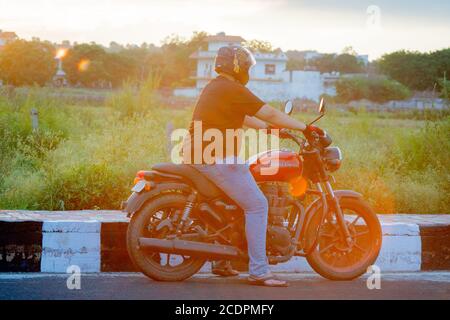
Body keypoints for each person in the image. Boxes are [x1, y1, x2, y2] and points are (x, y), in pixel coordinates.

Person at [183, 46, 322, 287]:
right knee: (258, 205)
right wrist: (306, 128)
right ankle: (259, 271)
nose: (248, 69)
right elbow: (270, 113)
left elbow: (246, 117)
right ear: (237, 66)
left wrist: (270, 130)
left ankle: (222, 261)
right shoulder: (233, 89)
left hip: (200, 155)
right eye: (246, 65)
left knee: (236, 201)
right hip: (214, 157)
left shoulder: (216, 86)